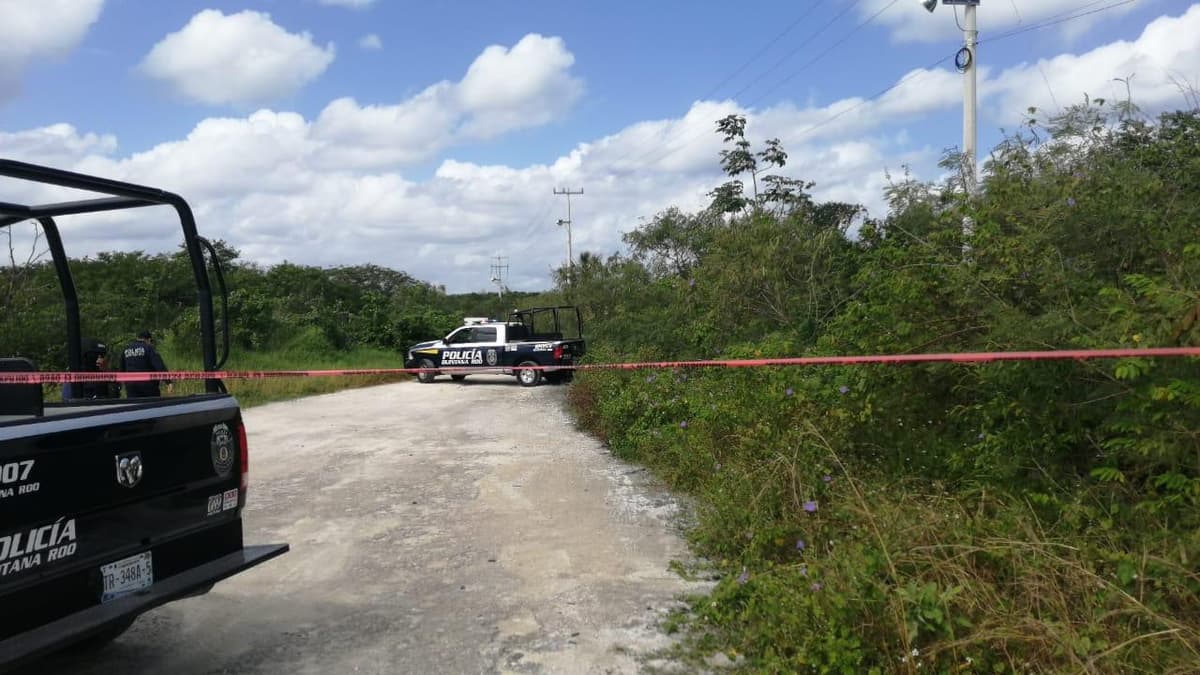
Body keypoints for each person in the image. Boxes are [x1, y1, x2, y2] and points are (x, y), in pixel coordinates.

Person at [119, 330, 172, 398]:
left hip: (131, 385)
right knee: (152, 406)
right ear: (148, 339)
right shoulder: (148, 348)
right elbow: (159, 365)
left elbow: (122, 367)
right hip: (148, 385)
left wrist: (124, 383)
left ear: (137, 338)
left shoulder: (126, 349)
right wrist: (168, 381)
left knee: (134, 407)